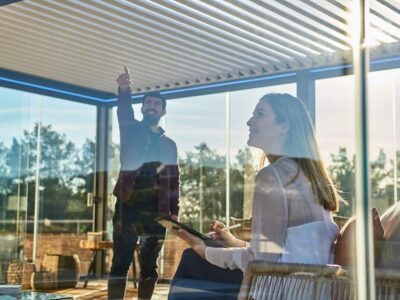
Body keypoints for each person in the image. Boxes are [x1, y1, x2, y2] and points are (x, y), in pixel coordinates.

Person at [168, 93, 340, 299]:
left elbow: (260, 261)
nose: (250, 121)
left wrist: (202, 249)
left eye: (260, 114)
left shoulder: (272, 176)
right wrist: (232, 241)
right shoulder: (312, 179)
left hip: (283, 291)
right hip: (310, 290)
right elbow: (276, 249)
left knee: (191, 259)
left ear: (284, 126)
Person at [108, 67, 180, 300]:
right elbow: (123, 112)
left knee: (150, 266)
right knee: (120, 262)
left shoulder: (170, 145)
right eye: (148, 103)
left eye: (156, 104)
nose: (151, 106)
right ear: (142, 108)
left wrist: (174, 212)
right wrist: (124, 89)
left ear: (163, 111)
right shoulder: (131, 130)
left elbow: (174, 180)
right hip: (127, 208)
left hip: (157, 213)